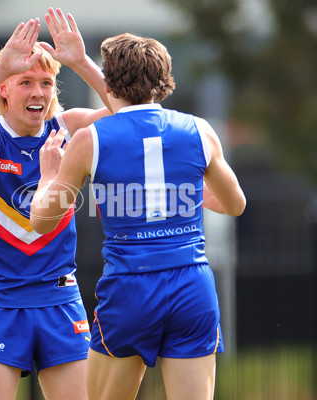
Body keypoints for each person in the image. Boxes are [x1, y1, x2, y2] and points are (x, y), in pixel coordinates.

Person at [30, 33, 246, 400]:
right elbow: (235, 204)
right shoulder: (200, 131)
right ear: (164, 80)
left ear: (110, 82)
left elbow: (42, 220)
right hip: (191, 285)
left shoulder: (90, 138)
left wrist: (49, 177)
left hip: (130, 288)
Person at [0, 8, 111, 400]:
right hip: (0, 300)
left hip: (59, 297)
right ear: (5, 91)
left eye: (46, 83)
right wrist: (0, 68)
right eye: (26, 81)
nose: (38, 93)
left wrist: (80, 62)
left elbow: (127, 114)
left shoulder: (69, 129)